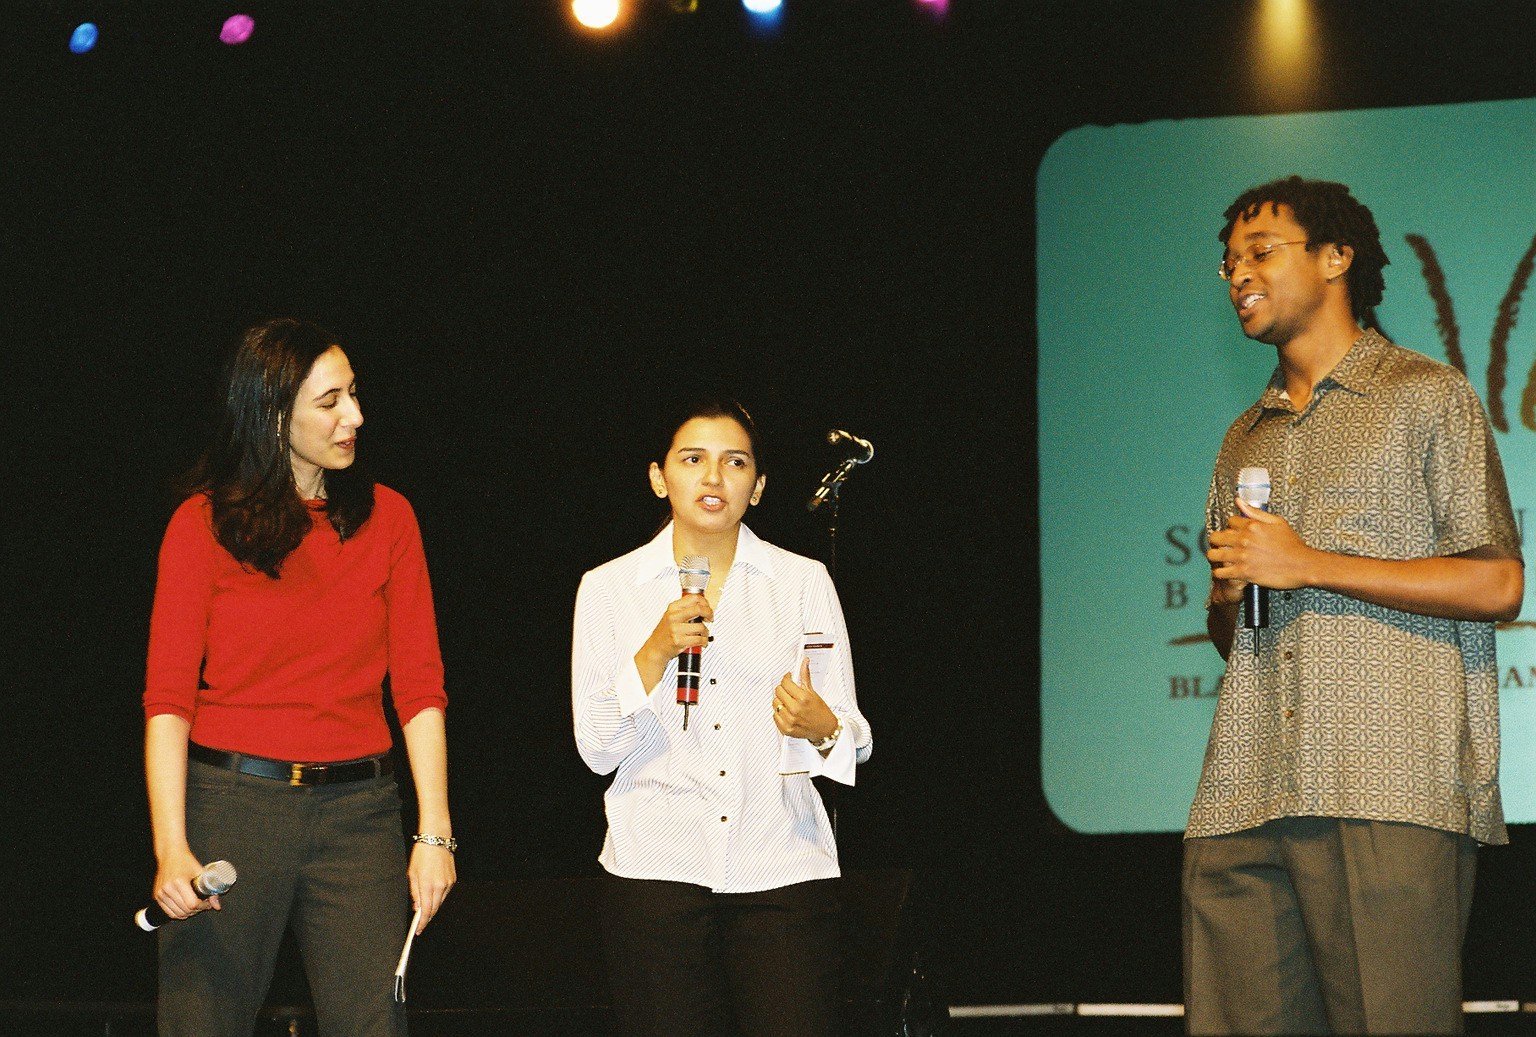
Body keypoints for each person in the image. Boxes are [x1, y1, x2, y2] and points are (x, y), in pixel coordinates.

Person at [1183, 175, 1524, 1035]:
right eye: (1227, 263)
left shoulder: (1426, 395)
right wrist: (1232, 589)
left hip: (1388, 784)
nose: (1238, 275)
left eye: (1260, 252)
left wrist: (1309, 563)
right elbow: (1233, 635)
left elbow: (1497, 582)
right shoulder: (1242, 434)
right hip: (1244, 790)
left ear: (1337, 258)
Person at [143, 318, 455, 1037]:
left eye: (355, 394)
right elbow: (167, 699)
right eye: (331, 400)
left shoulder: (390, 518)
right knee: (201, 1023)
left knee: (377, 1023)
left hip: (360, 813)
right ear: (272, 412)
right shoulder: (201, 525)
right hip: (232, 807)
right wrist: (170, 846)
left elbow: (419, 685)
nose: (356, 416)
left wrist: (434, 830)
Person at [572, 399, 873, 1037]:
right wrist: (653, 652)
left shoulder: (801, 583)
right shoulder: (608, 588)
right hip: (656, 871)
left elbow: (853, 734)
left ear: (758, 486)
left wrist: (822, 727)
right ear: (659, 477)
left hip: (781, 869)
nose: (714, 478)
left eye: (734, 462)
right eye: (694, 460)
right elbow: (597, 748)